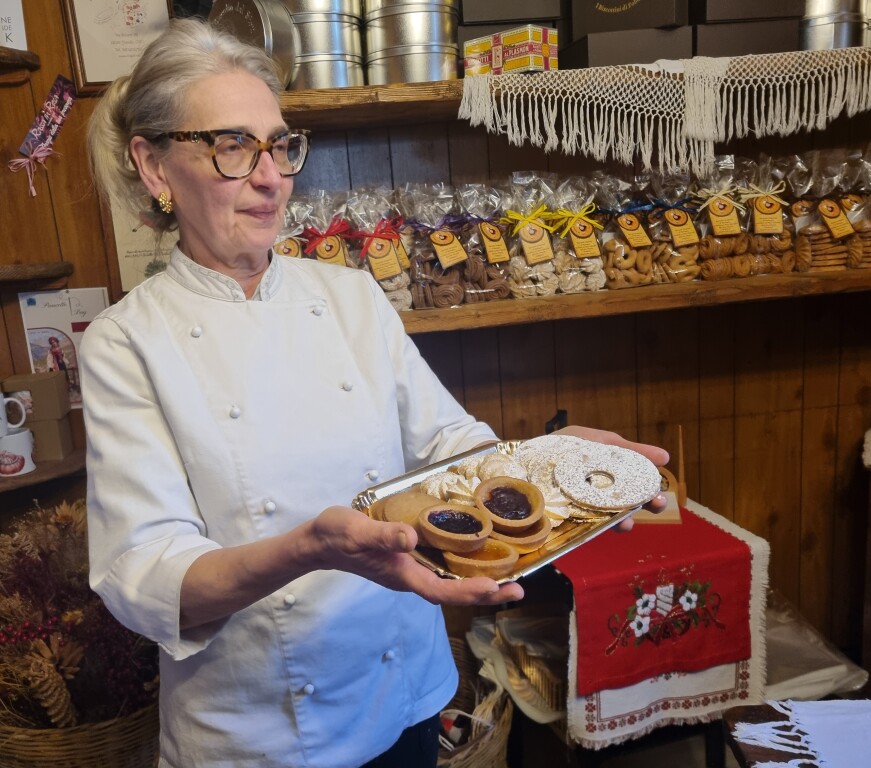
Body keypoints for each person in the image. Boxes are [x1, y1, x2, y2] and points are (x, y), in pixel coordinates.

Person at [82, 18, 668, 768]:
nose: (271, 177)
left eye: (280, 144)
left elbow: (448, 449)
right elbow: (147, 575)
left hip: (406, 698)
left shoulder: (350, 295)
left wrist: (548, 461)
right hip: (259, 736)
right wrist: (309, 550)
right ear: (154, 166)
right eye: (233, 146)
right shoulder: (126, 343)